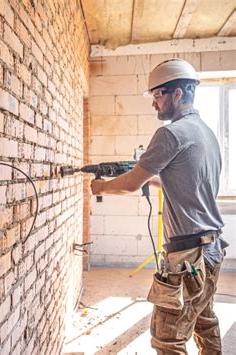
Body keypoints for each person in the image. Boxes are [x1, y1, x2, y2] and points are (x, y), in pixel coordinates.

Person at [91, 58, 228, 354]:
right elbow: (190, 183)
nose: (154, 103)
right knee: (204, 320)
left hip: (188, 256)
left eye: (157, 94)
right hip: (213, 248)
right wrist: (155, 181)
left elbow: (128, 184)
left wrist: (100, 187)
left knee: (167, 338)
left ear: (177, 93)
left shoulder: (170, 133)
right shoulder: (206, 133)